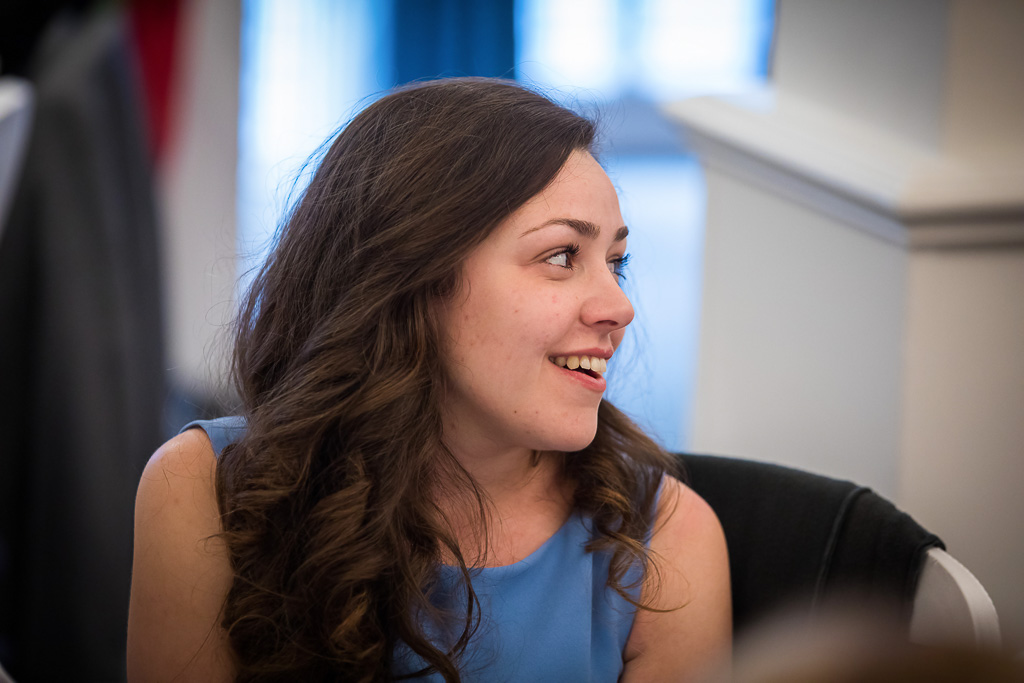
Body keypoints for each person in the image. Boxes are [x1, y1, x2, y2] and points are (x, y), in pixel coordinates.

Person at [127, 78, 731, 682]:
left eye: (616, 263)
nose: (620, 308)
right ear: (409, 276)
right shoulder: (204, 488)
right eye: (561, 256)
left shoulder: (668, 539)